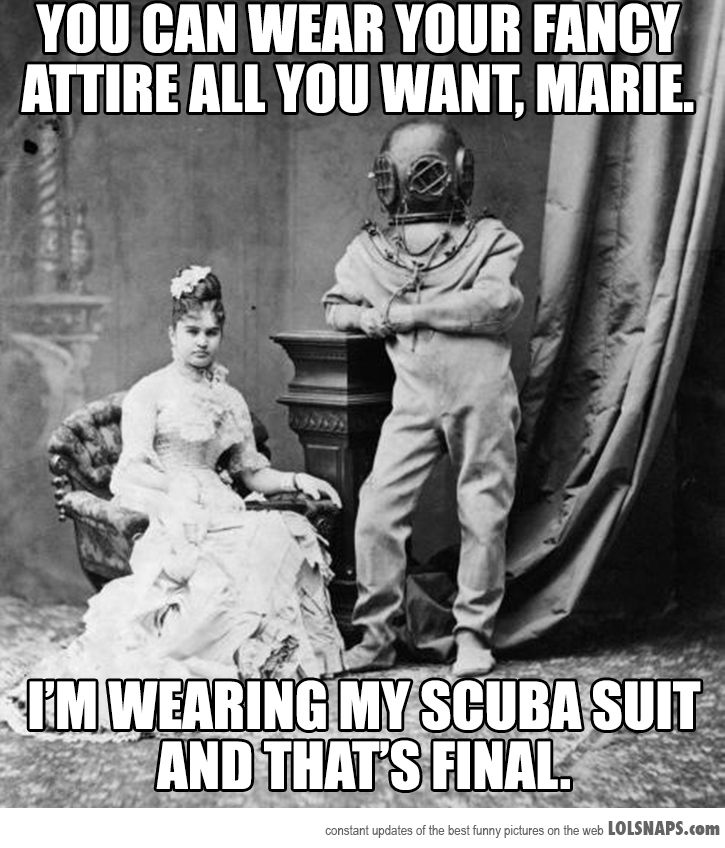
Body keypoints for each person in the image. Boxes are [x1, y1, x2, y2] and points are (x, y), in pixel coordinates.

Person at [2, 266, 344, 733]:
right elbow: (131, 468)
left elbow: (251, 472)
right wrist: (177, 495)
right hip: (170, 506)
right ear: (172, 334)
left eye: (211, 332)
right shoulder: (151, 391)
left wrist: (298, 479)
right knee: (209, 573)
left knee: (282, 532)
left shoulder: (229, 398)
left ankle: (261, 670)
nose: (202, 342)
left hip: (222, 505)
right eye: (191, 331)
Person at [323, 120, 523, 678]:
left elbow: (497, 305)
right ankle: (377, 638)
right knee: (378, 511)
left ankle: (473, 636)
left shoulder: (489, 239)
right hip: (413, 401)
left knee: (482, 511)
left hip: (481, 397)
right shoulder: (370, 252)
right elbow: (335, 305)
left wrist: (411, 313)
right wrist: (365, 317)